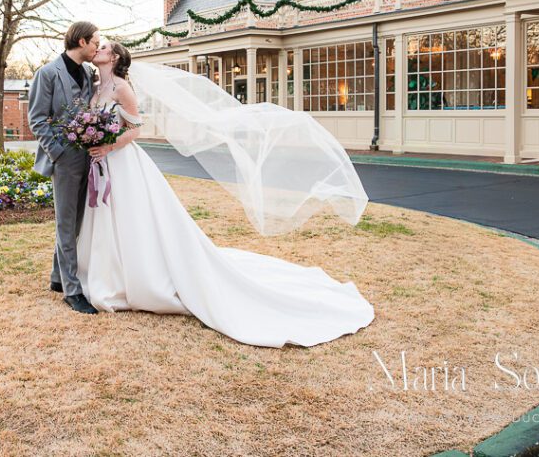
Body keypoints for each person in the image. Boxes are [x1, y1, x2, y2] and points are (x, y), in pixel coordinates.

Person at [74, 40, 376, 347]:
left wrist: (109, 145)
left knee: (133, 219)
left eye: (105, 46)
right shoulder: (97, 87)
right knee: (110, 219)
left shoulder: (122, 88)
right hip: (102, 162)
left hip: (123, 162)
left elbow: (136, 129)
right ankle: (108, 276)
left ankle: (139, 278)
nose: (98, 48)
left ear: (114, 57)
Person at [27, 21, 100, 315]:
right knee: (67, 223)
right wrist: (57, 153)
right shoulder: (47, 74)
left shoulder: (87, 73)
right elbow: (37, 119)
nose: (98, 46)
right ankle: (72, 290)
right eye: (95, 41)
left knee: (78, 221)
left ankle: (58, 277)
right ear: (81, 42)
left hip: (87, 156)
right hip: (64, 158)